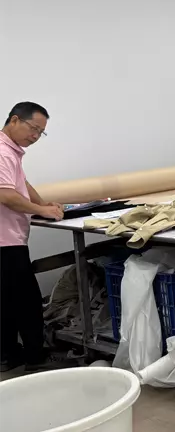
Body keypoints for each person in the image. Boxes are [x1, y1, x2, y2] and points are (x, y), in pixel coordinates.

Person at [1, 101, 64, 372]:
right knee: (26, 302)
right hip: (6, 242)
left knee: (6, 301)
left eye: (41, 132)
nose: (36, 136)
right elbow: (6, 195)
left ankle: (8, 356)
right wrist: (41, 210)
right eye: (33, 128)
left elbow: (21, 185)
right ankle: (35, 358)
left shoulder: (11, 151)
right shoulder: (2, 152)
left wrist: (43, 204)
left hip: (7, 239)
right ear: (15, 120)